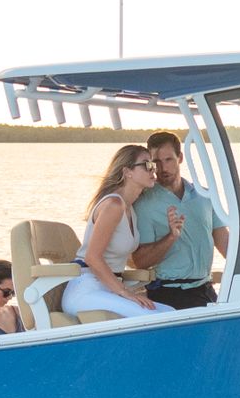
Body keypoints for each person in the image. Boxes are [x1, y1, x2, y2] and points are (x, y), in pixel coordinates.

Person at [65, 144, 175, 319]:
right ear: (127, 172)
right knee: (157, 317)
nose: (153, 170)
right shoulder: (114, 205)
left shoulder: (130, 209)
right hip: (86, 289)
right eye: (146, 165)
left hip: (107, 288)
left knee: (170, 313)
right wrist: (125, 292)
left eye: (152, 165)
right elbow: (92, 257)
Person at [130, 130, 230, 309]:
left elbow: (225, 244)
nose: (162, 168)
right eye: (156, 162)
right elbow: (140, 261)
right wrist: (170, 237)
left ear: (180, 158)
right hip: (169, 293)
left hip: (206, 290)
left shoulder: (205, 196)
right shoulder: (143, 204)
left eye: (168, 160)